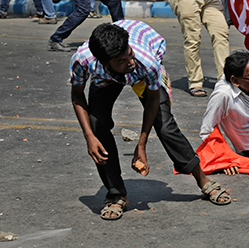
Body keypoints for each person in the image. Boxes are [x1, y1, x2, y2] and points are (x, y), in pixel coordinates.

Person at [71, 20, 231, 220]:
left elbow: (153, 100)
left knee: (165, 127)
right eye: (121, 61)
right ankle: (116, 195)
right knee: (96, 124)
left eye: (129, 54)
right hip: (107, 79)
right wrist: (89, 137)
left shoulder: (145, 61)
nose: (129, 62)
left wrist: (141, 144)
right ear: (104, 62)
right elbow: (77, 95)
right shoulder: (83, 60)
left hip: (144, 73)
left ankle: (204, 181)